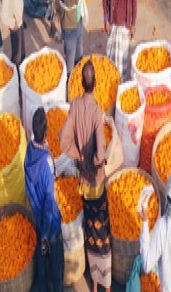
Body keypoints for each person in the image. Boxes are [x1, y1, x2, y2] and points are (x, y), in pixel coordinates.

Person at [60, 60, 111, 291]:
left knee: (90, 231)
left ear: (81, 83)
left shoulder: (75, 106)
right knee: (101, 233)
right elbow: (101, 149)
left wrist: (78, 155)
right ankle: (105, 283)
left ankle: (94, 282)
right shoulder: (96, 112)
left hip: (83, 182)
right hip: (96, 184)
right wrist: (99, 160)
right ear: (96, 84)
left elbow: (63, 140)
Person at [25, 107, 65, 291]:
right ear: (46, 131)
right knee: (56, 262)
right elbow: (50, 200)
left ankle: (42, 284)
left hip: (36, 213)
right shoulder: (46, 162)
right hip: (50, 224)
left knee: (42, 257)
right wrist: (47, 235)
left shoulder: (29, 150)